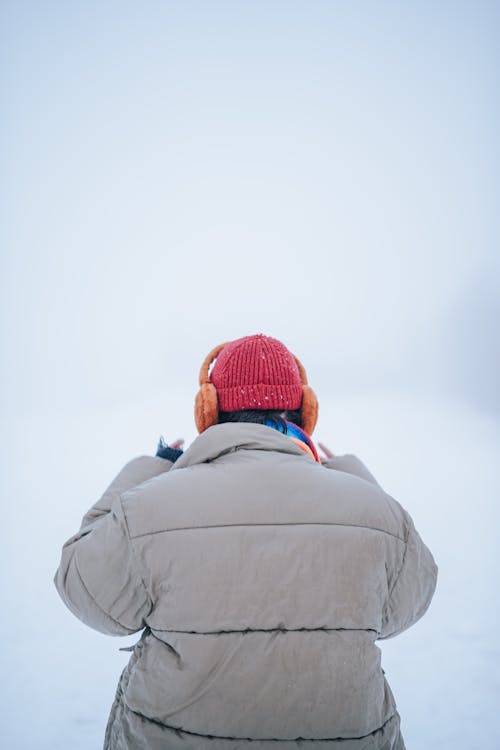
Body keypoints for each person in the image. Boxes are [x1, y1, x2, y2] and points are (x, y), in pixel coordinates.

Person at [53, 333, 438, 750]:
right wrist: (361, 487)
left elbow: (86, 592)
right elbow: (405, 605)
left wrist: (144, 471)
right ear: (305, 412)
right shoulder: (374, 512)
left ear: (208, 412)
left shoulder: (146, 508)